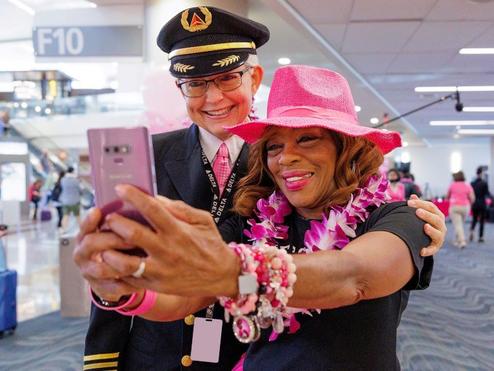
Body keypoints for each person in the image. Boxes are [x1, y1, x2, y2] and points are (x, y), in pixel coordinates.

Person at [75, 65, 447, 370]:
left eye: (307, 139)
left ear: (345, 147)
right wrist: (121, 287)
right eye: (273, 146)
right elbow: (190, 295)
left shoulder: (401, 219)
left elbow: (354, 276)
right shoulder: (254, 226)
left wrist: (229, 269)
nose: (285, 158)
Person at [447, 170, 474, 248]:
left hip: (454, 207)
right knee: (459, 224)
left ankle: (462, 241)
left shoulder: (452, 185)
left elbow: (447, 196)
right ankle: (456, 240)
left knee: (458, 224)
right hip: (465, 207)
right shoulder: (467, 185)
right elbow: (472, 198)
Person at [469, 166, 491, 243]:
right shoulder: (484, 183)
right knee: (482, 221)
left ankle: (472, 230)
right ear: (481, 173)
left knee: (474, 219)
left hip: (474, 204)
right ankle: (481, 237)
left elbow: (470, 194)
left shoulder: (472, 183)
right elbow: (487, 194)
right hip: (482, 204)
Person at [60, 166, 81, 231]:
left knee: (65, 216)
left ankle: (63, 229)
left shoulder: (63, 180)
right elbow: (80, 190)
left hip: (65, 200)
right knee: (77, 216)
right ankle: (82, 229)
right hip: (75, 201)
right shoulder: (76, 180)